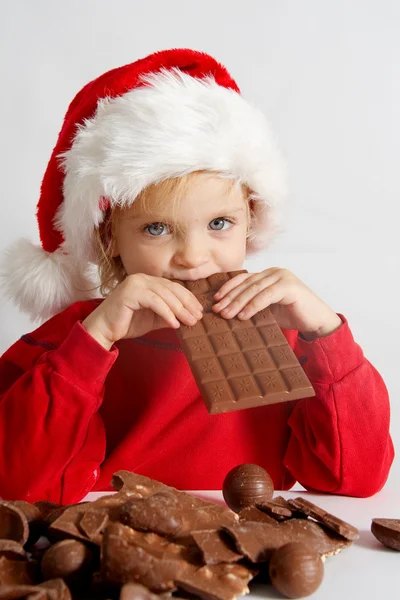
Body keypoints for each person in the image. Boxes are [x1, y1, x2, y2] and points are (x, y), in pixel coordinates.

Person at [0, 48, 394, 505]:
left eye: (218, 224)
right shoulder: (72, 342)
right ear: (111, 239)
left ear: (251, 220)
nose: (192, 257)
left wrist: (325, 333)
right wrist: (95, 340)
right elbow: (20, 487)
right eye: (156, 228)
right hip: (115, 556)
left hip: (248, 560)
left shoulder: (289, 339)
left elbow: (356, 478)